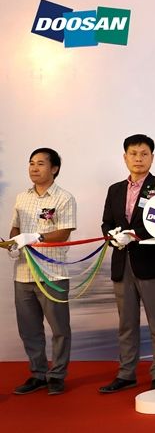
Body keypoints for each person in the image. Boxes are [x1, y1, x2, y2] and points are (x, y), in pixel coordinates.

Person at [98, 134, 155, 394]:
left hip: (152, 264)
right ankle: (126, 373)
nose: (138, 159)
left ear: (152, 157)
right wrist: (112, 236)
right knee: (126, 324)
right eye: (133, 153)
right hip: (122, 263)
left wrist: (133, 234)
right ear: (125, 157)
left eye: (144, 154)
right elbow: (106, 222)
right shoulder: (115, 189)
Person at [8, 148, 77, 395]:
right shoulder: (21, 197)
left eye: (40, 163)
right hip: (23, 274)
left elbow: (64, 232)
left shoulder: (64, 198)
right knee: (29, 329)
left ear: (54, 169)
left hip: (52, 274)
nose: (34, 168)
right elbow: (15, 228)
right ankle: (37, 373)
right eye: (31, 163)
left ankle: (57, 375)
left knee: (59, 329)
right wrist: (13, 243)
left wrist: (37, 237)